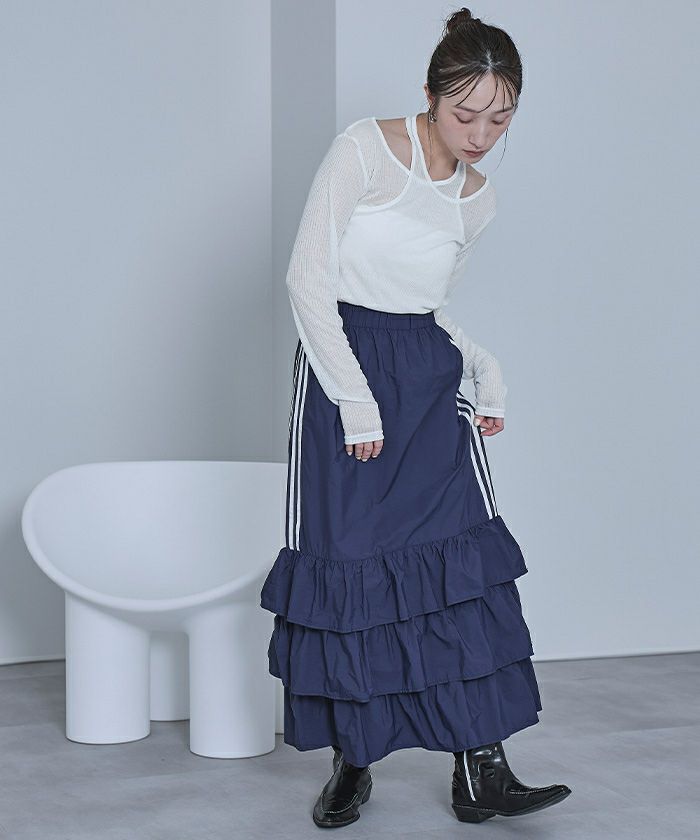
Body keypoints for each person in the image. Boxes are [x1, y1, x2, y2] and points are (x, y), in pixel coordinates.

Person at [260, 6, 572, 829]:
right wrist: (355, 398)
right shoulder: (365, 150)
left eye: (501, 119)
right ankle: (353, 762)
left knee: (461, 573)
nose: (482, 135)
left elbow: (425, 309)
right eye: (467, 114)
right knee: (352, 572)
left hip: (429, 387)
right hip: (344, 373)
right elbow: (307, 280)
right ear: (430, 96)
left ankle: (482, 769)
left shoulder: (477, 200)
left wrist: (482, 367)